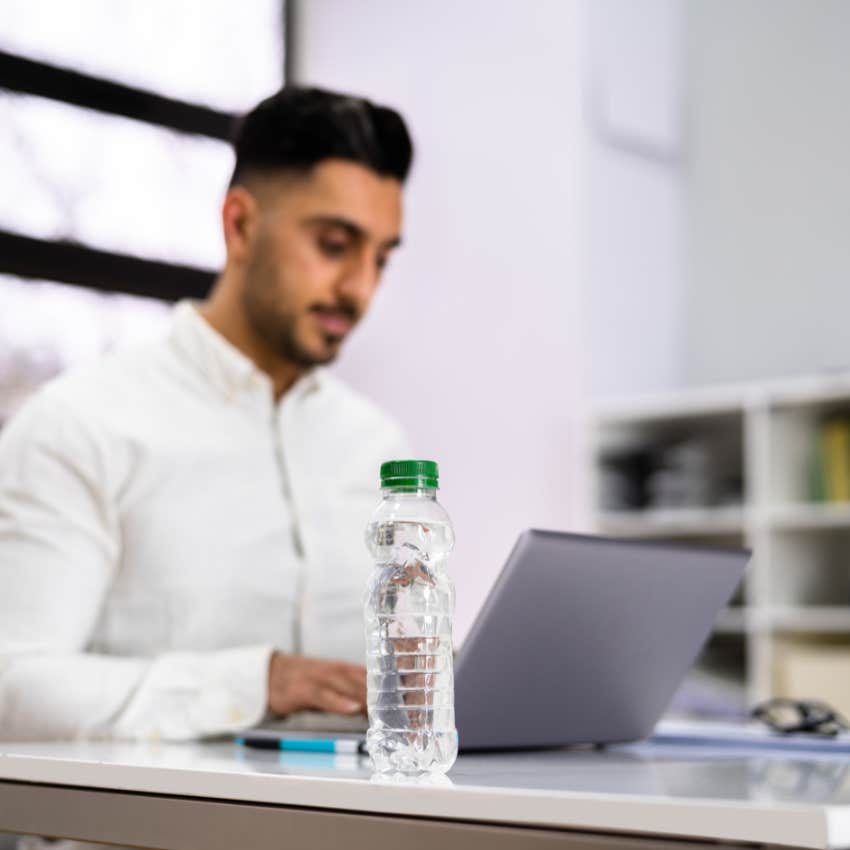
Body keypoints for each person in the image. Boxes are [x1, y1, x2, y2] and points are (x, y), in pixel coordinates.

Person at [0, 87, 414, 741]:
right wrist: (259, 683)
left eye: (382, 259)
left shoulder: (377, 447)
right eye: (335, 245)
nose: (360, 288)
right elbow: (10, 689)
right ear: (240, 225)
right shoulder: (79, 425)